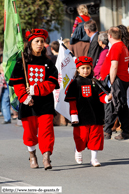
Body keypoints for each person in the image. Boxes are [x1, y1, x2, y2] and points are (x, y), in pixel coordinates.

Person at [9, 29, 59, 170]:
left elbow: (52, 83)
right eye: (36, 41)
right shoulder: (21, 63)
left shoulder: (48, 63)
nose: (39, 44)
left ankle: (46, 157)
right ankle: (32, 155)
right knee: (30, 132)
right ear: (30, 43)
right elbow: (17, 84)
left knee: (46, 130)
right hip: (28, 104)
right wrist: (25, 97)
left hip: (45, 103)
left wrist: (35, 89)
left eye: (42, 41)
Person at [65, 56, 112, 167]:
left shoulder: (95, 82)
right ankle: (78, 150)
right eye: (83, 68)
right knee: (82, 137)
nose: (85, 70)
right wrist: (74, 115)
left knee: (96, 137)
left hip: (96, 114)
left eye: (88, 68)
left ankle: (94, 159)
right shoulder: (74, 83)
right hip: (81, 115)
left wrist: (107, 98)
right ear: (77, 69)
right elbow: (72, 101)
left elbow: (101, 96)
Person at [100, 27, 129, 140]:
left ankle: (107, 131)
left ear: (110, 36)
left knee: (114, 104)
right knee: (120, 105)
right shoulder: (122, 46)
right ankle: (126, 131)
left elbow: (114, 66)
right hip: (121, 79)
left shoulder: (116, 47)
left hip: (117, 80)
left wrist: (111, 82)